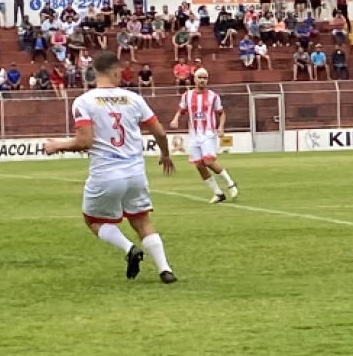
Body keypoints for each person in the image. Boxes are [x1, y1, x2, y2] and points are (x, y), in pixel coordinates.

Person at [44, 51, 177, 284]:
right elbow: (160, 132)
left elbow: (85, 141)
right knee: (142, 220)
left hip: (106, 173)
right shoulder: (134, 98)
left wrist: (57, 145)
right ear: (116, 71)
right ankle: (165, 269)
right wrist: (165, 154)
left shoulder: (84, 101)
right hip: (135, 172)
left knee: (93, 221)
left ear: (94, 72)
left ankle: (129, 249)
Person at [170, 68, 240, 204]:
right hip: (194, 135)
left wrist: (220, 127)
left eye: (205, 78)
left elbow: (222, 113)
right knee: (200, 166)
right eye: (200, 78)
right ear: (194, 79)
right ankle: (218, 193)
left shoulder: (213, 96)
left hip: (208, 134)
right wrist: (176, 119)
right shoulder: (187, 96)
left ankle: (231, 183)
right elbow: (182, 110)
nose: (202, 80)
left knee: (209, 162)